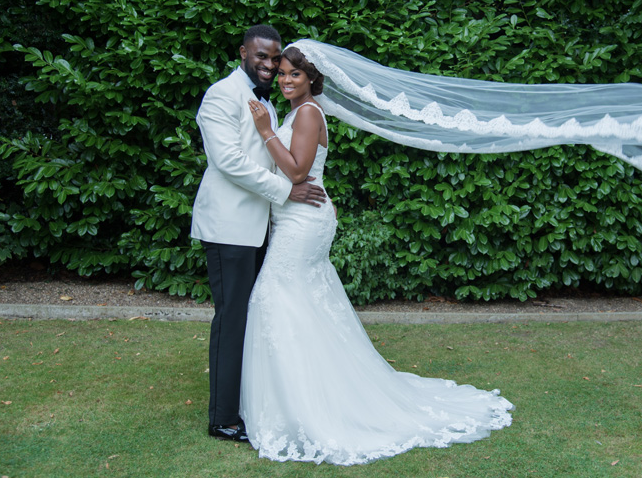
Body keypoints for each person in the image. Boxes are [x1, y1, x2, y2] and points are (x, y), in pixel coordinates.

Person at [239, 46, 514, 465]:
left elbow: (297, 171)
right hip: (297, 218)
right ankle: (306, 397)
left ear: (312, 78)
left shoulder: (308, 113)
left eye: (295, 74)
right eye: (282, 74)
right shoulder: (298, 113)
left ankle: (308, 406)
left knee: (276, 299)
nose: (285, 80)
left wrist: (265, 131)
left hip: (302, 223)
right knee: (301, 304)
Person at [190, 25, 327, 442]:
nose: (269, 65)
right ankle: (223, 418)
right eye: (262, 57)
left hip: (263, 227)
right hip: (229, 225)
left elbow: (283, 158)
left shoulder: (275, 104)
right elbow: (228, 161)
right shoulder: (221, 95)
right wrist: (287, 191)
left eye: (275, 59)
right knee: (232, 318)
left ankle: (253, 404)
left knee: (255, 317)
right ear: (243, 53)